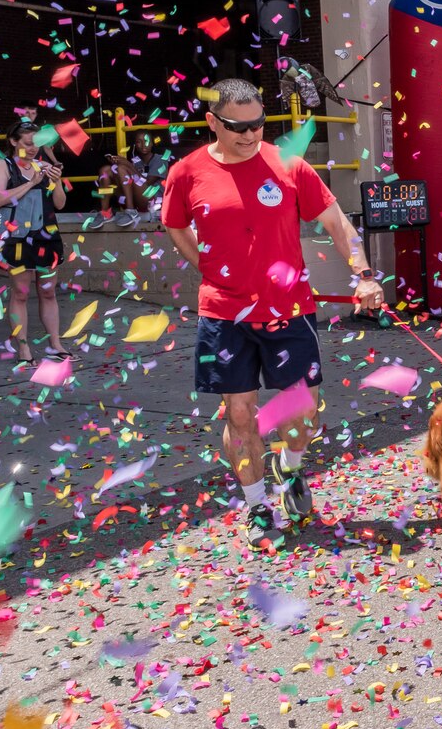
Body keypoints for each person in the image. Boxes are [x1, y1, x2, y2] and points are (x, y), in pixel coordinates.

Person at [162, 78, 384, 546]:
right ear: (212, 122)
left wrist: (363, 272)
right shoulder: (187, 171)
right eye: (236, 126)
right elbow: (176, 224)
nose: (249, 134)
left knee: (301, 416)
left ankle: (291, 465)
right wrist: (205, 264)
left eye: (258, 124)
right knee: (240, 415)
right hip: (224, 315)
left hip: (290, 311)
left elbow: (335, 219)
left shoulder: (289, 165)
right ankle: (257, 503)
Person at [0, 119, 68, 365]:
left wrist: (57, 181)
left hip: (46, 234)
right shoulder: (2, 164)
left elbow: (60, 203)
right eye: (28, 143)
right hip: (18, 238)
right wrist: (32, 182)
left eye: (37, 144)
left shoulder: (43, 165)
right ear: (13, 141)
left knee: (48, 292)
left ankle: (55, 344)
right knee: (20, 293)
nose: (33, 149)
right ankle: (23, 349)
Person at [99, 131, 172, 227]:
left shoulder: (161, 159)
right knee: (106, 170)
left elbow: (147, 183)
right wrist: (116, 166)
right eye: (139, 142)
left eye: (146, 141)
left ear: (152, 143)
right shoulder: (136, 161)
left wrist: (127, 165)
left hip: (152, 202)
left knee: (121, 168)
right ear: (135, 145)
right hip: (137, 200)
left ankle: (131, 211)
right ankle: (105, 213)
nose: (143, 145)